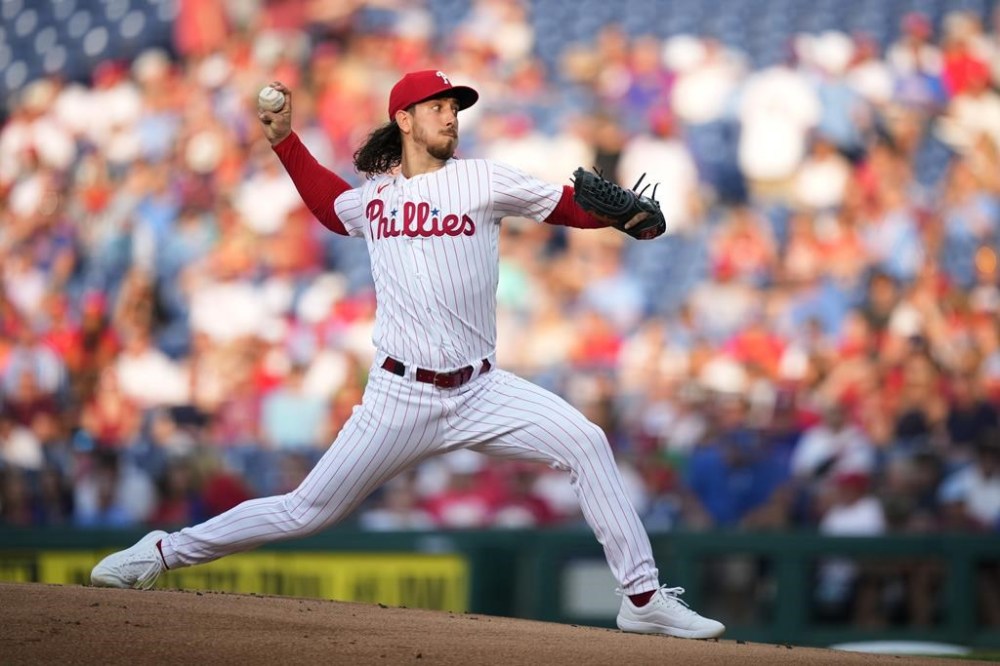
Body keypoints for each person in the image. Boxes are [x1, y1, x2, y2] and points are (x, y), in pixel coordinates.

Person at [91, 70, 725, 639]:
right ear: (404, 119)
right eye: (438, 105)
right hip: (398, 397)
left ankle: (642, 597)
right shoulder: (374, 198)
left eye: (456, 106)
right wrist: (284, 141)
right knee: (305, 510)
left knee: (586, 441)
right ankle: (163, 552)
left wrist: (619, 220)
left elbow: (565, 205)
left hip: (482, 390)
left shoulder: (482, 178)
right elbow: (325, 204)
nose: (451, 115)